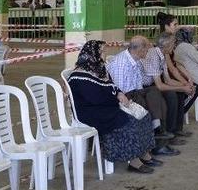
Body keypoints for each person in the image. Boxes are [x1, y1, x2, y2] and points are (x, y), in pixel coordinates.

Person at [68, 40, 159, 174]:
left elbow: (111, 85)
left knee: (143, 115)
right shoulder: (79, 76)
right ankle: (133, 161)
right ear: (92, 54)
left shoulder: (99, 70)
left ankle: (144, 153)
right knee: (128, 120)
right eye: (102, 51)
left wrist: (119, 93)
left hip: (105, 106)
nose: (105, 54)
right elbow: (95, 98)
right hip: (90, 111)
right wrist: (115, 99)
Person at [106, 36, 176, 150]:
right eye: (147, 49)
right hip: (124, 96)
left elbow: (139, 84)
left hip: (135, 92)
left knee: (154, 91)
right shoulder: (121, 64)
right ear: (140, 50)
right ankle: (155, 142)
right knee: (143, 101)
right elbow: (118, 91)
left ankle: (158, 129)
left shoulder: (136, 60)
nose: (148, 52)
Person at [139, 34, 197, 143]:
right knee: (171, 95)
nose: (174, 46)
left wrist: (184, 86)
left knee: (179, 93)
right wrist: (182, 88)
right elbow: (160, 86)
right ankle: (169, 134)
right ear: (166, 45)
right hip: (145, 88)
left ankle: (176, 129)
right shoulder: (154, 55)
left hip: (154, 85)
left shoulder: (162, 54)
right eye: (173, 44)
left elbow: (168, 80)